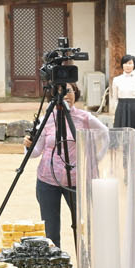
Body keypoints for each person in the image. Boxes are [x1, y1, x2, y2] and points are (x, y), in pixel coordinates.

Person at [27, 95, 108, 249]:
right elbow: (35, 152)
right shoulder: (47, 119)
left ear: (75, 93)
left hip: (76, 180)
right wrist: (28, 146)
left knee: (83, 226)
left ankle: (85, 260)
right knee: (50, 231)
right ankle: (56, 262)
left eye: (68, 90)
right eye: (59, 91)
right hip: (47, 179)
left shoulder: (84, 118)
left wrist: (95, 159)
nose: (65, 95)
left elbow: (105, 134)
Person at [109, 55, 135, 134]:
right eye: (125, 63)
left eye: (130, 63)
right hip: (121, 106)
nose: (127, 66)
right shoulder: (116, 80)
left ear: (134, 65)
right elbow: (115, 97)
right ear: (122, 65)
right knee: (121, 130)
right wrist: (117, 109)